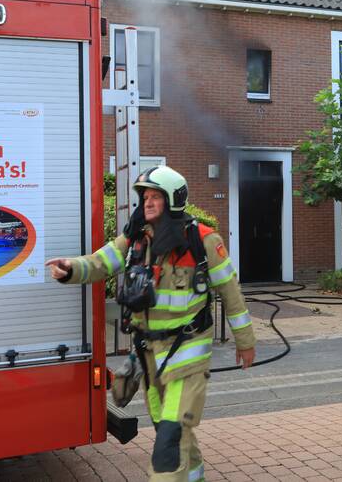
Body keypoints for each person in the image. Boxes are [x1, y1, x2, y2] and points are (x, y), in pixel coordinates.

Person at [46, 166, 256, 482]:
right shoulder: (137, 240)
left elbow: (231, 292)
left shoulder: (204, 242)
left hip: (187, 357)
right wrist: (71, 268)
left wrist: (245, 340)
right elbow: (101, 263)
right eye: (145, 196)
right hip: (148, 357)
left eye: (155, 196)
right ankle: (195, 474)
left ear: (174, 199)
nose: (147, 202)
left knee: (169, 441)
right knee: (168, 427)